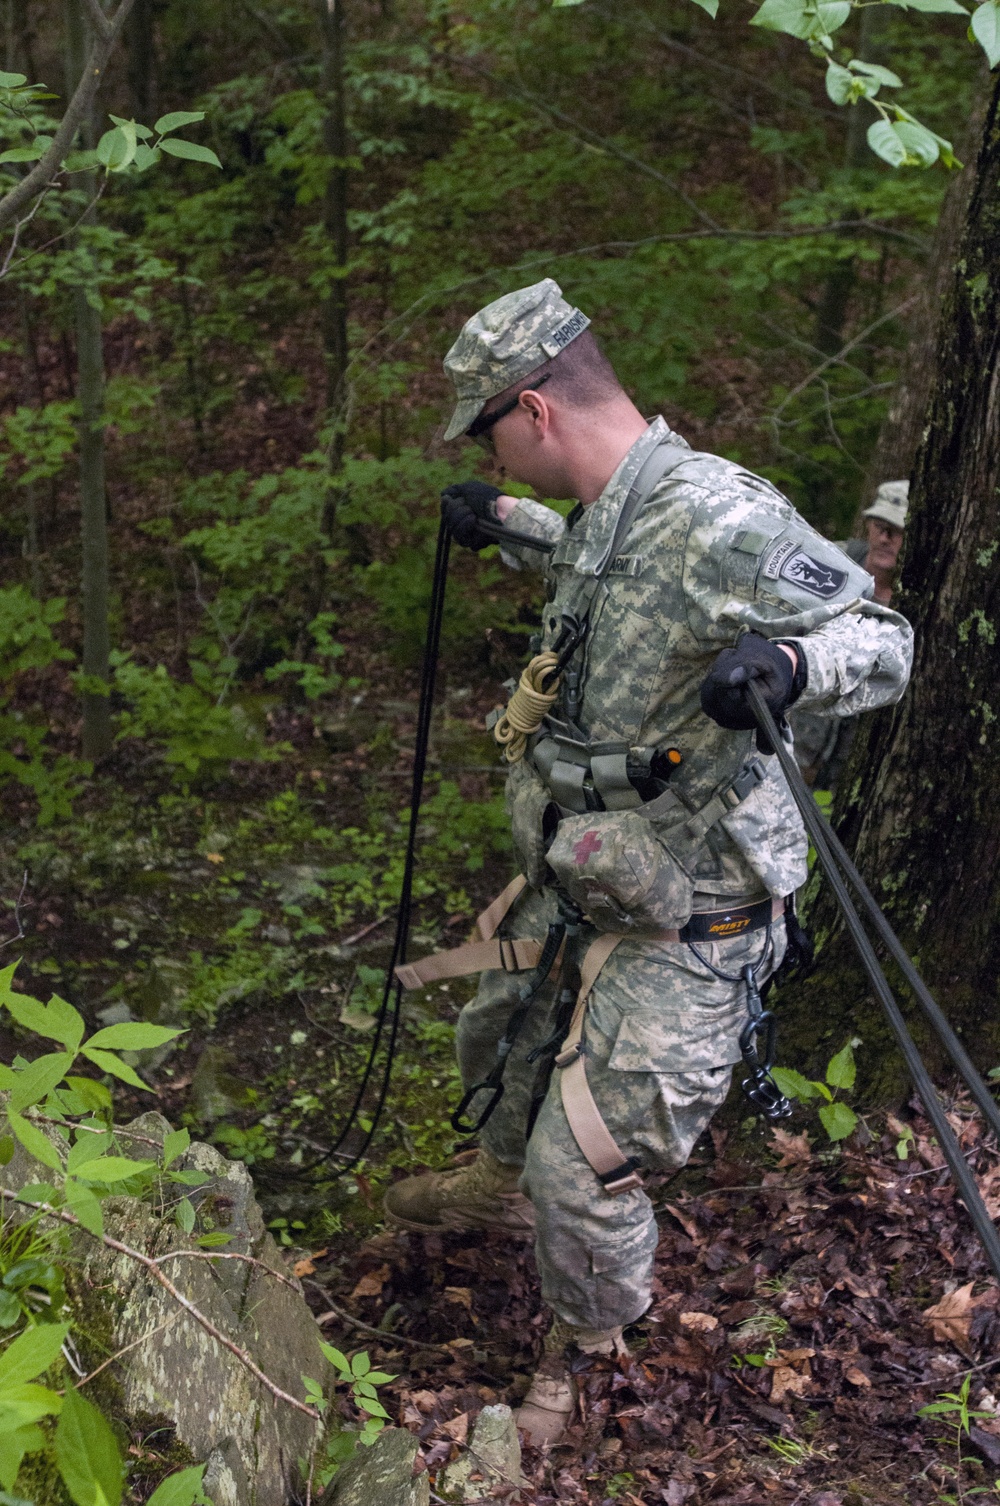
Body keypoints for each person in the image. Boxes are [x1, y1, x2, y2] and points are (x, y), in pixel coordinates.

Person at [383, 279, 912, 1446]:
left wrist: (786, 662)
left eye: (490, 434)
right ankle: (494, 1186)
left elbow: (879, 637)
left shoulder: (718, 511)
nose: (495, 453)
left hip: (693, 906)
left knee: (590, 1165)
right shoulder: (612, 507)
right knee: (499, 1041)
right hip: (586, 867)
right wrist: (508, 525)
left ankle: (586, 1345)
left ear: (534, 407)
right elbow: (611, 578)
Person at [790, 481, 908, 787]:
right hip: (791, 742)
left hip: (854, 768)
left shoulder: (922, 600)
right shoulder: (830, 566)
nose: (885, 538)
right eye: (880, 526)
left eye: (897, 531)